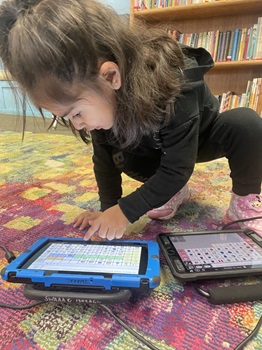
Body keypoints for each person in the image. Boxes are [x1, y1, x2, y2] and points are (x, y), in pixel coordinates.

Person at [0, 0, 261, 241]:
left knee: (246, 124)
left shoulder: (175, 82)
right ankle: (171, 193)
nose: (78, 125)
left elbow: (177, 169)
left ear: (111, 76)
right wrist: (109, 211)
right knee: (119, 154)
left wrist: (125, 212)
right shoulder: (103, 103)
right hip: (154, 145)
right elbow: (104, 160)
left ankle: (243, 202)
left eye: (76, 113)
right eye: (67, 119)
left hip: (200, 137)